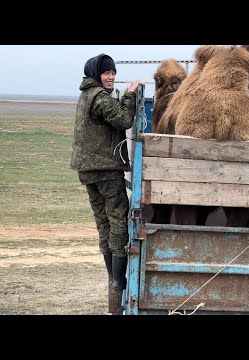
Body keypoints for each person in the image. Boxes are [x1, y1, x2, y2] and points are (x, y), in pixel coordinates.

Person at [70, 53, 143, 314]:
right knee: (118, 221)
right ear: (95, 74)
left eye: (113, 72)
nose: (111, 77)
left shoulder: (85, 95)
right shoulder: (99, 97)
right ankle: (117, 281)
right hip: (105, 169)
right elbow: (124, 120)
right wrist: (131, 93)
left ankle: (112, 281)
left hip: (88, 169)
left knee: (102, 222)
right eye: (106, 73)